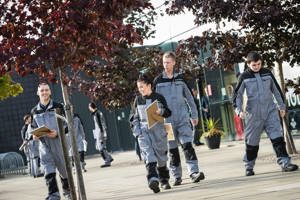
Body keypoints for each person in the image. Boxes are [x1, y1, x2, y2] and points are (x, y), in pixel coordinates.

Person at [233, 51, 298, 176]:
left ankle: (285, 163)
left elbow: (277, 90)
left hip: (270, 112)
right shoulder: (244, 76)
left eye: (259, 64)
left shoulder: (267, 73)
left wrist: (281, 106)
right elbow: (237, 95)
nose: (257, 67)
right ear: (248, 64)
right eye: (254, 65)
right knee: (252, 143)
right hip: (253, 115)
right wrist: (239, 110)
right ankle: (249, 166)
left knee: (278, 138)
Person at [153, 51, 205, 186]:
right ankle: (177, 176)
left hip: (182, 119)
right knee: (173, 150)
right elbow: (152, 103)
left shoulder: (181, 79)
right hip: (167, 122)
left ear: (174, 63)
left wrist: (194, 115)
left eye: (168, 62)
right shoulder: (158, 81)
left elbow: (190, 98)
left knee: (188, 145)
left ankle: (194, 172)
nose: (165, 65)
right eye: (164, 62)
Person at [131, 74, 172, 193]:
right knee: (149, 156)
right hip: (143, 132)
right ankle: (153, 180)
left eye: (142, 87)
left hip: (158, 131)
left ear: (149, 86)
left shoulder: (159, 97)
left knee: (161, 158)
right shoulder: (137, 100)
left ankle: (164, 180)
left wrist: (161, 111)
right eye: (139, 88)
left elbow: (168, 112)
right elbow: (133, 117)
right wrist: (137, 132)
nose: (140, 89)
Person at [31, 82, 71, 200]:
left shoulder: (59, 106)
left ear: (50, 91)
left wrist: (58, 133)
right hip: (45, 146)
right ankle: (54, 195)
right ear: (38, 93)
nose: (44, 92)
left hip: (60, 143)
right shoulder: (34, 111)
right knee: (48, 170)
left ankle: (68, 192)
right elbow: (33, 128)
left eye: (46, 90)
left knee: (64, 170)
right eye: (42, 90)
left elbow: (68, 125)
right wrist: (35, 136)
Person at [88, 102, 113, 168]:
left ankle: (107, 161)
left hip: (100, 132)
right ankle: (109, 158)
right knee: (100, 147)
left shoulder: (97, 114)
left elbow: (100, 124)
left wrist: (102, 133)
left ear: (91, 107)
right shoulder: (98, 113)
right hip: (99, 131)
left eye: (89, 107)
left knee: (101, 148)